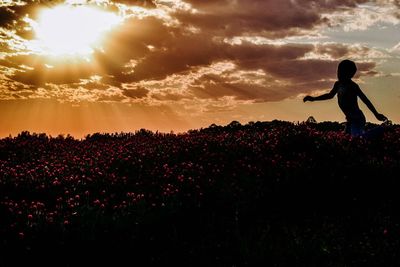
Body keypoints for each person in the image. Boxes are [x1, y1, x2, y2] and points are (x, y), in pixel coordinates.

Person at [303, 59, 387, 137]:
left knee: (357, 138)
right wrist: (313, 99)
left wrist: (376, 114)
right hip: (350, 120)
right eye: (338, 71)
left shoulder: (353, 86)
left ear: (350, 74)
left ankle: (381, 130)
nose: (339, 74)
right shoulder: (338, 84)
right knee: (346, 140)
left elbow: (365, 100)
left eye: (342, 72)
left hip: (357, 118)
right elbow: (330, 95)